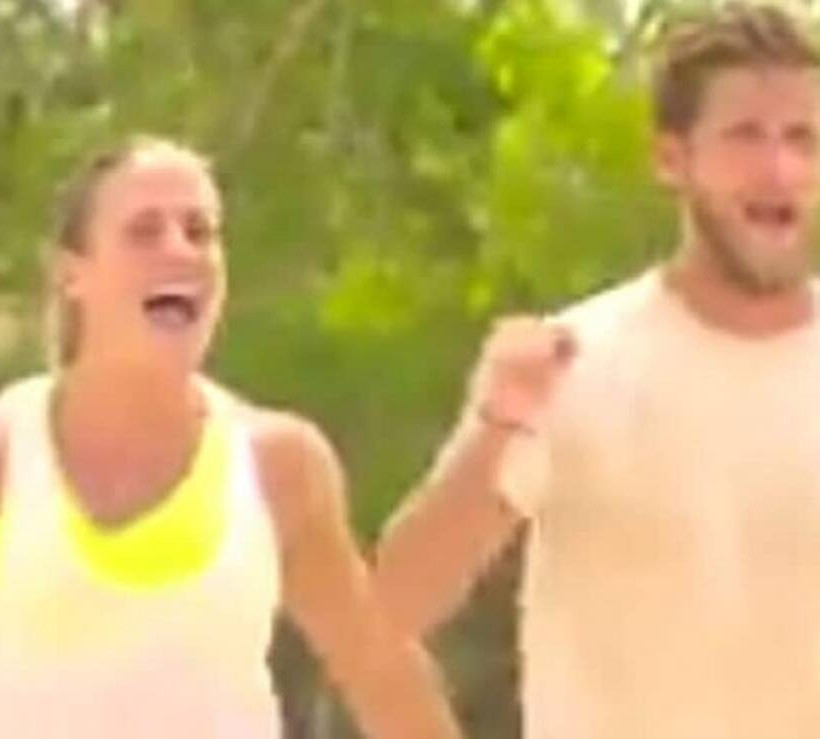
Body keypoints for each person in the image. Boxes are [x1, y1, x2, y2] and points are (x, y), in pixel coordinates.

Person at [375, 3, 820, 737]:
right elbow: (392, 608)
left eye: (803, 139)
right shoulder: (573, 363)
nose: (779, 169)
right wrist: (492, 430)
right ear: (672, 159)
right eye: (745, 135)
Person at [0, 135, 461, 739]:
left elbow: (382, 674)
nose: (179, 251)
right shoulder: (12, 447)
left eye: (200, 232)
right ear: (71, 276)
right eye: (144, 231)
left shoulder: (279, 466)